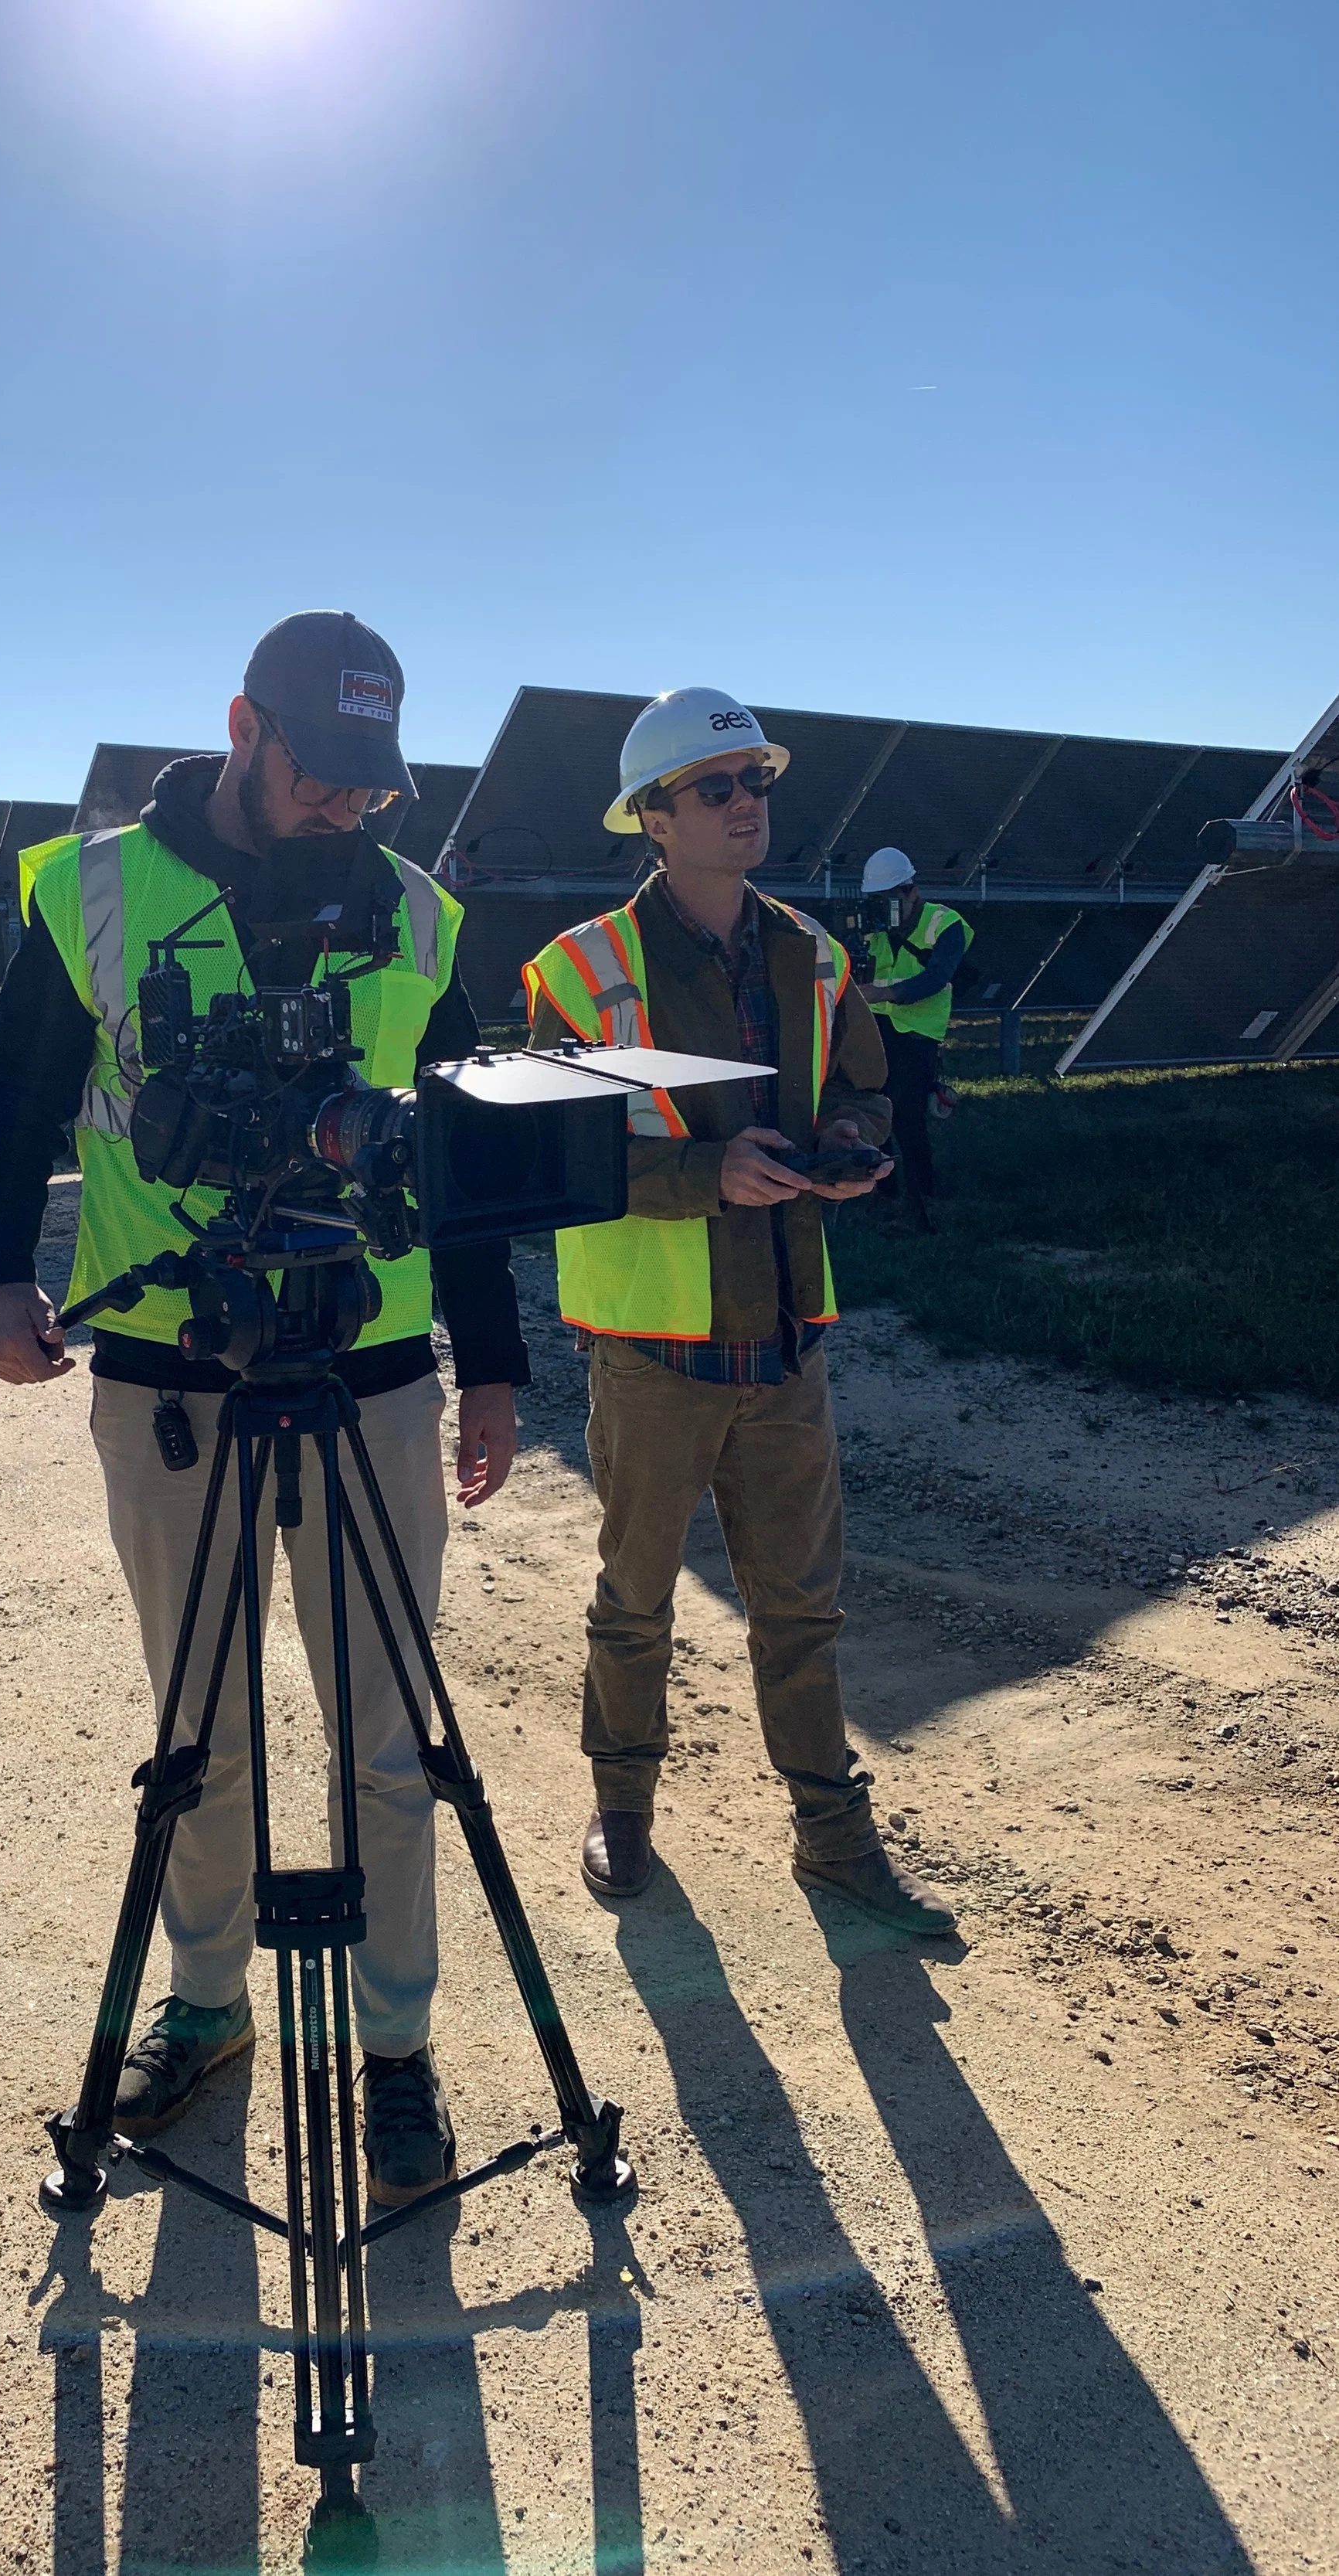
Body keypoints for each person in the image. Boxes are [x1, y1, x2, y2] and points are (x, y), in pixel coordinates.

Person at [0, 612, 530, 2207]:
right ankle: (207, 2005)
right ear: (241, 727)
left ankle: (393, 2048)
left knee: (385, 1737)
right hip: (168, 1370)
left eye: (370, 783)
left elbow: (463, 1152)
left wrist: (490, 1364)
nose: (345, 808)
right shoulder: (94, 890)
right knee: (193, 1723)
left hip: (368, 1370)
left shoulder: (415, 915)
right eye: (321, 775)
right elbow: (8, 1091)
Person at [523, 688, 955, 1935]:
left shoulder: (814, 956)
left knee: (802, 1604)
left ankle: (832, 1833)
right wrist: (698, 1176)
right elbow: (558, 1155)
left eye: (756, 781)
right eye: (716, 788)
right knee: (635, 1597)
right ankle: (622, 1808)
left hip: (784, 1341)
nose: (746, 804)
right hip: (654, 1351)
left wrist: (854, 1145)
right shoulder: (583, 972)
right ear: (653, 818)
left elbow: (867, 1086)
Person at [855, 846, 974, 1227]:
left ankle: (924, 1194)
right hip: (877, 1027)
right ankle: (884, 1190)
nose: (885, 909)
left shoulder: (946, 923)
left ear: (910, 891)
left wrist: (884, 993)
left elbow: (937, 977)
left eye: (890, 900)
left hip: (918, 1032)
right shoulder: (875, 927)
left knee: (907, 1114)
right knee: (875, 1108)